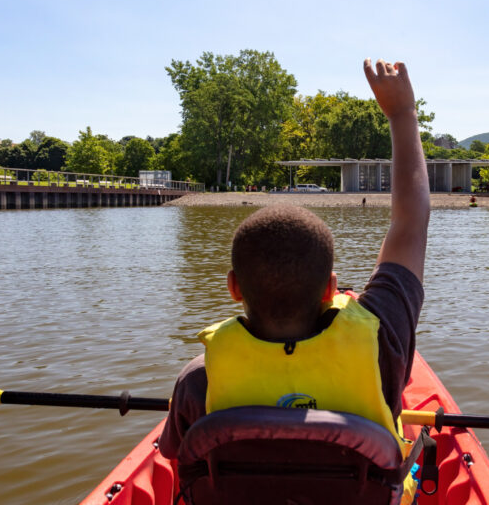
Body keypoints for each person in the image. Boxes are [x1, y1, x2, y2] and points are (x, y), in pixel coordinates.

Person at [158, 59, 430, 481]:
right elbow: (411, 222)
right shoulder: (382, 344)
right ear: (331, 289)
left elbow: (181, 461)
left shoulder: (198, 380)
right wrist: (402, 114)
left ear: (233, 286)